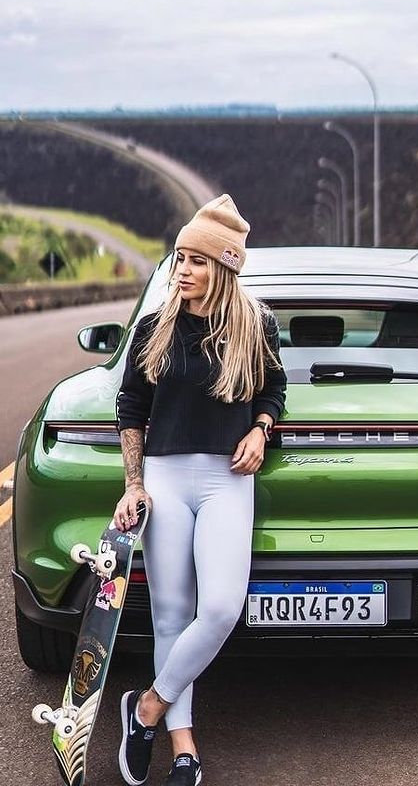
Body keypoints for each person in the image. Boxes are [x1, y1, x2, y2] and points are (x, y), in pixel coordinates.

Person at [113, 194, 286, 786]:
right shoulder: (154, 327)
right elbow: (131, 408)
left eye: (198, 261)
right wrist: (134, 485)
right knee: (170, 614)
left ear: (226, 267)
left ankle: (144, 711)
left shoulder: (254, 325)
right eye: (180, 257)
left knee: (218, 610)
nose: (183, 269)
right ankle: (184, 749)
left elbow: (273, 392)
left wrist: (262, 430)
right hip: (164, 476)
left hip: (226, 479)